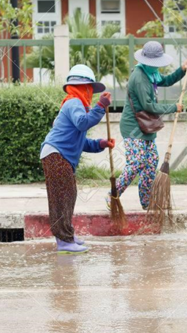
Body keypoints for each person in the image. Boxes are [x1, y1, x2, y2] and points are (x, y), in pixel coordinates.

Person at [109, 41, 187, 210]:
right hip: (133, 126)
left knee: (151, 161)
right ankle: (112, 194)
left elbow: (167, 80)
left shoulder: (151, 73)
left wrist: (183, 69)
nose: (156, 66)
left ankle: (146, 202)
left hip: (147, 125)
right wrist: (172, 107)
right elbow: (148, 106)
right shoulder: (139, 77)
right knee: (137, 162)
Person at [41, 64, 115, 254]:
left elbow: (81, 142)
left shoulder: (76, 105)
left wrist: (101, 144)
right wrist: (100, 107)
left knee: (68, 195)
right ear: (82, 88)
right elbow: (83, 124)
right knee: (61, 198)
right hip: (56, 155)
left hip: (58, 155)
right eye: (89, 89)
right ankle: (64, 241)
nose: (90, 93)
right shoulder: (73, 102)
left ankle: (68, 236)